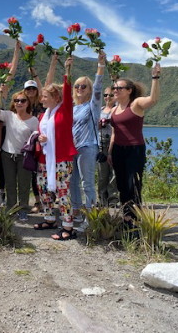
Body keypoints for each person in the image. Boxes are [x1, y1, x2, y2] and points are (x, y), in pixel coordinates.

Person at [109, 63, 161, 222]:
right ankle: (127, 218)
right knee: (122, 185)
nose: (115, 91)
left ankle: (135, 220)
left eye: (119, 88)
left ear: (129, 91)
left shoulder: (136, 104)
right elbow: (113, 132)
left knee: (134, 185)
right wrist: (110, 153)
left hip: (135, 150)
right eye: (114, 88)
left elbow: (153, 99)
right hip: (118, 150)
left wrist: (155, 77)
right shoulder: (114, 108)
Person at [33, 57, 78, 240]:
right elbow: (41, 135)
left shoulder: (65, 110)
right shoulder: (44, 115)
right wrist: (41, 138)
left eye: (45, 96)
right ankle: (50, 218)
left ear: (55, 98)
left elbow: (67, 92)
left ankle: (68, 226)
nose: (41, 99)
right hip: (45, 158)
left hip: (62, 158)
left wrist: (67, 71)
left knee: (62, 191)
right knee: (43, 188)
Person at [70, 51, 106, 227]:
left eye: (84, 86)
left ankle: (90, 218)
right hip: (73, 149)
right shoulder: (73, 107)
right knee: (73, 183)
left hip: (87, 147)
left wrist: (100, 66)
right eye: (77, 86)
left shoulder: (93, 106)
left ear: (89, 89)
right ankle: (76, 212)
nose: (79, 89)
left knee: (88, 184)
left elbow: (99, 88)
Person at [0, 88, 38, 221]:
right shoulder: (9, 115)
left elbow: (36, 137)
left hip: (24, 156)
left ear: (27, 103)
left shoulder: (34, 120)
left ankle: (23, 209)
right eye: (16, 101)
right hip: (8, 154)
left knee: (24, 184)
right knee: (10, 183)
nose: (19, 103)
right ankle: (11, 208)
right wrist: (0, 94)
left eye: (22, 100)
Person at [23, 51, 58, 213]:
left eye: (32, 89)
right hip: (31, 144)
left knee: (47, 170)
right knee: (33, 174)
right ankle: (38, 201)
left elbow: (47, 82)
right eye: (27, 89)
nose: (30, 91)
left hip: (45, 143)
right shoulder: (21, 105)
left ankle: (50, 199)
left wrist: (52, 63)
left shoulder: (41, 104)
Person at [98, 87, 119, 206]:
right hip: (101, 144)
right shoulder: (100, 110)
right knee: (102, 174)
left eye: (111, 95)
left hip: (115, 143)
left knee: (114, 174)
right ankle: (102, 198)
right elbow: (94, 127)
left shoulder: (117, 110)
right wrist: (100, 124)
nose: (107, 98)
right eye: (105, 95)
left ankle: (113, 199)